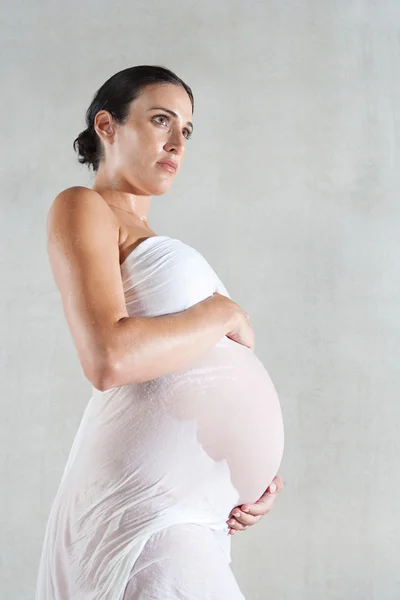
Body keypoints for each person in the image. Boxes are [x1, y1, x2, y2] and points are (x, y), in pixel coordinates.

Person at [35, 65, 285, 599]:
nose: (177, 143)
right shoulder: (85, 207)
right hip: (142, 511)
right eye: (160, 120)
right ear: (108, 126)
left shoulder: (156, 239)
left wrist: (249, 480)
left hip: (199, 517)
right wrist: (220, 313)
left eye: (187, 131)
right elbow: (108, 358)